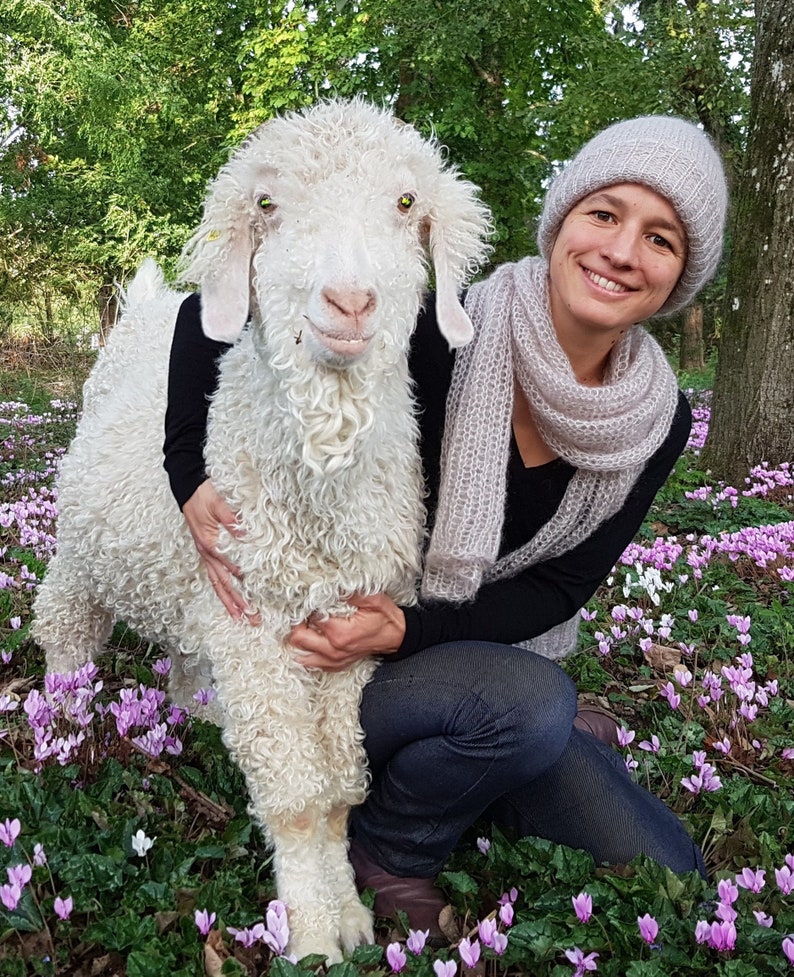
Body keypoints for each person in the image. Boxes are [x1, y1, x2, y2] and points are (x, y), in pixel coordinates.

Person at [164, 115, 728, 940]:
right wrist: (187, 470)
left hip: (446, 641)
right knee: (533, 706)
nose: (621, 250)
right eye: (604, 214)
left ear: (680, 275)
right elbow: (208, 313)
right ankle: (394, 843)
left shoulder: (659, 416)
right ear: (563, 221)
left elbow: (563, 586)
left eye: (661, 238)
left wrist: (411, 629)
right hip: (364, 658)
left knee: (670, 863)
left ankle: (490, 737)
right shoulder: (449, 326)